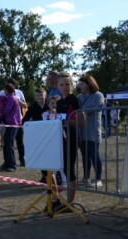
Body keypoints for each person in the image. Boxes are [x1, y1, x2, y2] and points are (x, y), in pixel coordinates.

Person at [56, 72, 86, 210]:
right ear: (58, 86)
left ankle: (70, 202)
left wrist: (67, 122)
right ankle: (63, 200)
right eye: (62, 85)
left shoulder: (74, 99)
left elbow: (81, 121)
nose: (64, 87)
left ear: (72, 85)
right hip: (60, 139)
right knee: (62, 169)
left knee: (69, 169)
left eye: (67, 84)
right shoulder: (59, 102)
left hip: (72, 139)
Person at [77, 75, 104, 188]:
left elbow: (88, 109)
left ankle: (98, 179)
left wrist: (79, 109)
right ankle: (86, 178)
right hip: (81, 132)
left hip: (92, 131)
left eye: (82, 84)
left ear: (89, 84)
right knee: (85, 156)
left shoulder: (98, 95)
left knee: (94, 155)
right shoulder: (79, 96)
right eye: (80, 84)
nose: (80, 86)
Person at [0, 78, 27, 166]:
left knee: (19, 142)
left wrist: (17, 101)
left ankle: (21, 159)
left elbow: (25, 105)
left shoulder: (19, 93)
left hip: (17, 120)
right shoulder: (1, 93)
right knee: (8, 142)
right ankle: (8, 161)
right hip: (7, 121)